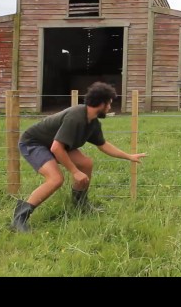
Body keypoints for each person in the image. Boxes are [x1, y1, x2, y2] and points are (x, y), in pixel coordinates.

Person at [11, 81, 147, 232]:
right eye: (109, 103)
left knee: (86, 163)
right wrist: (75, 172)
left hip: (56, 144)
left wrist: (129, 156)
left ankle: (79, 205)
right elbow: (56, 148)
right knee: (56, 179)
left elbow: (103, 145)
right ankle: (19, 218)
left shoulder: (92, 122)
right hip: (35, 143)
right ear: (101, 103)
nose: (109, 107)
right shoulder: (76, 117)